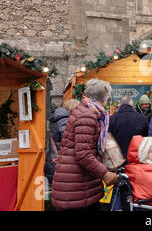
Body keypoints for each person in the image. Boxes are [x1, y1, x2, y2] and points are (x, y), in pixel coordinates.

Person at [51, 79, 118, 211]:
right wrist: (105, 173)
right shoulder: (87, 116)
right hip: (76, 187)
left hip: (79, 184)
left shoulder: (86, 112)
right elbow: (83, 154)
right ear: (104, 100)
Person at [108, 95, 149, 211]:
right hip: (137, 162)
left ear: (119, 105)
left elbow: (107, 142)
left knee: (117, 190)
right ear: (132, 104)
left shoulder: (112, 119)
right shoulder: (141, 119)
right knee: (137, 190)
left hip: (118, 162)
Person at [44, 99, 80, 185]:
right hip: (61, 164)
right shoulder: (65, 121)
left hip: (54, 162)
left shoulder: (59, 120)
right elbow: (70, 141)